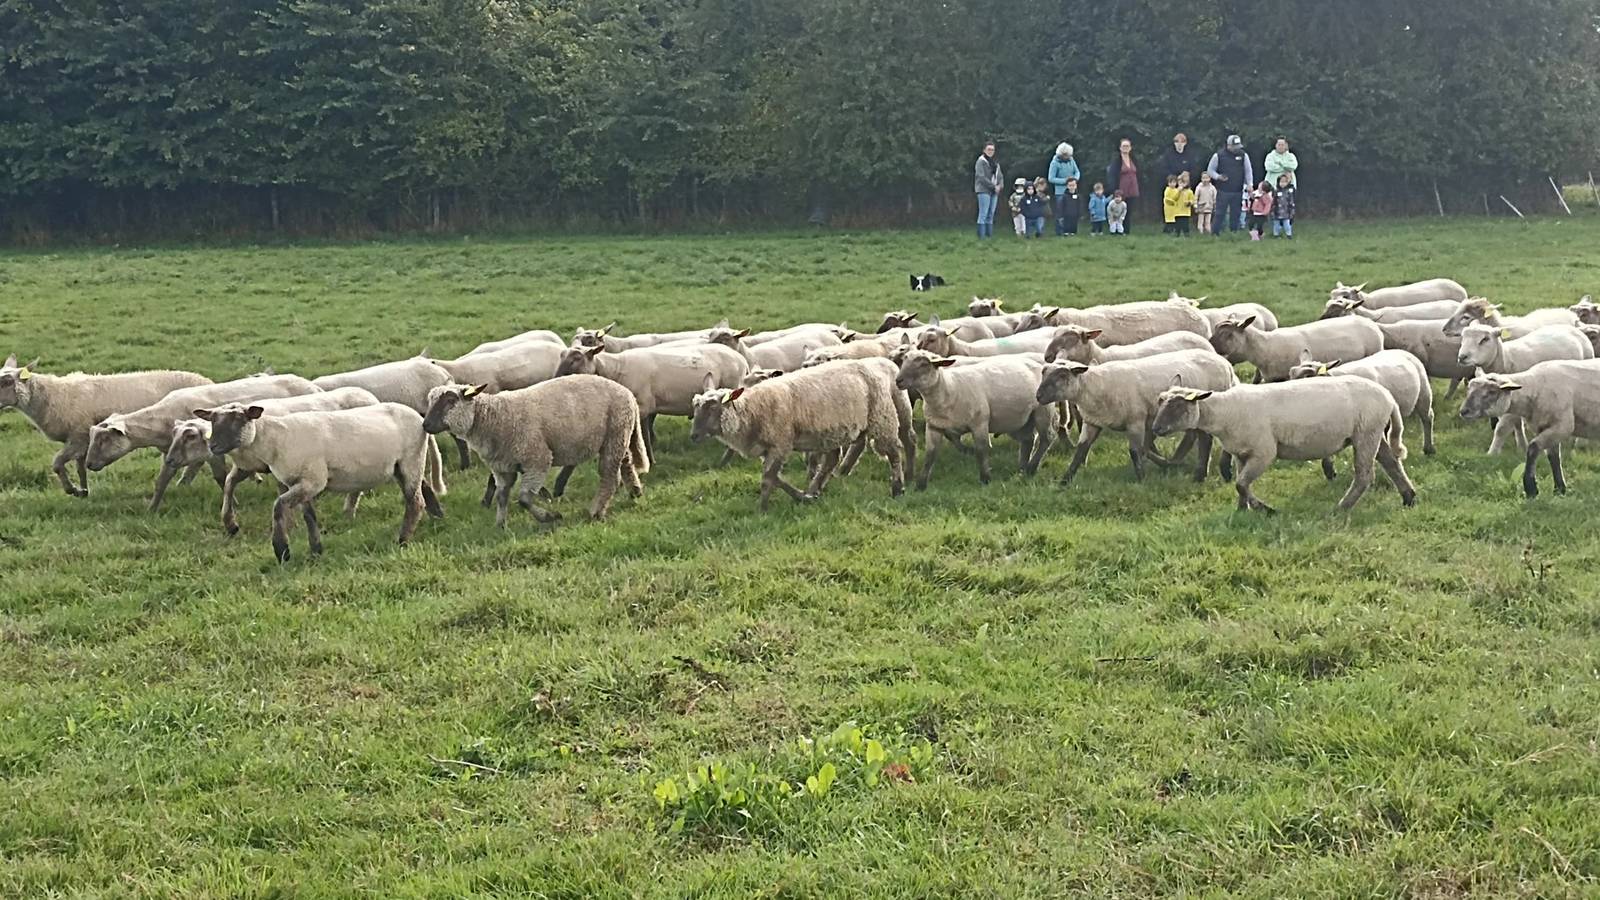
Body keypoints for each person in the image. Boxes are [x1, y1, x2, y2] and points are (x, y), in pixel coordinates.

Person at [1205, 134, 1253, 234]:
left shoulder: (1243, 155)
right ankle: (1215, 232)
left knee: (1236, 213)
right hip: (1223, 190)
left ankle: (1233, 232)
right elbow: (1210, 170)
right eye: (1234, 146)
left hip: (1238, 189)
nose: (1237, 149)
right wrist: (1218, 177)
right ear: (1228, 145)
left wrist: (1250, 184)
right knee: (1219, 213)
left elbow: (1248, 171)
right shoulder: (1218, 155)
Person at [1105, 138, 1140, 233]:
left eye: (1127, 146)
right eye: (1124, 146)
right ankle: (1116, 230)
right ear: (1120, 148)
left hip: (1132, 188)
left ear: (1130, 148)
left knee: (1128, 210)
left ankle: (1126, 230)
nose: (1126, 148)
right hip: (1121, 189)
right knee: (1118, 210)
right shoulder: (1117, 161)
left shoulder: (1134, 159)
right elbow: (1112, 175)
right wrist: (1114, 189)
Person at [1047, 143, 1081, 236]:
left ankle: (1071, 231)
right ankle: (1060, 231)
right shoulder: (1054, 163)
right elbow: (1051, 178)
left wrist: (1075, 179)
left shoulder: (1071, 160)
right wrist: (1065, 181)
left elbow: (1077, 171)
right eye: (1065, 155)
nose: (1067, 157)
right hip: (1060, 192)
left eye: (1068, 155)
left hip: (1072, 191)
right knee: (1061, 213)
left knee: (1071, 212)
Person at [973, 141, 1003, 238]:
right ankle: (981, 237)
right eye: (989, 149)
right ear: (984, 150)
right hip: (983, 190)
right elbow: (981, 177)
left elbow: (1000, 176)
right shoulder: (981, 161)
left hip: (995, 190)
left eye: (992, 150)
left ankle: (989, 236)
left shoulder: (995, 162)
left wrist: (1000, 186)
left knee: (991, 213)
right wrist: (993, 186)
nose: (991, 151)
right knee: (983, 213)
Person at [1272, 172, 1297, 238]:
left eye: (1284, 182)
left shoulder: (1289, 191)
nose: (1282, 184)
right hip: (1277, 211)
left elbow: (1291, 202)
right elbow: (1273, 201)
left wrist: (1292, 211)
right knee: (1276, 224)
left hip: (1286, 211)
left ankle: (1288, 234)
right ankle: (1276, 235)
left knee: (1287, 224)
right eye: (1281, 182)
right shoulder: (1276, 191)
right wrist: (1273, 210)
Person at [1175, 172, 1195, 236]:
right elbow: (1174, 198)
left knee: (1185, 225)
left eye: (1184, 183)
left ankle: (1186, 235)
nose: (1182, 185)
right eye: (1180, 183)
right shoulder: (1176, 190)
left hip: (1185, 212)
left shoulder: (1189, 191)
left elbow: (1193, 200)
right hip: (1177, 211)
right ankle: (1177, 235)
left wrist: (1189, 203)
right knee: (1178, 225)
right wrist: (1179, 191)